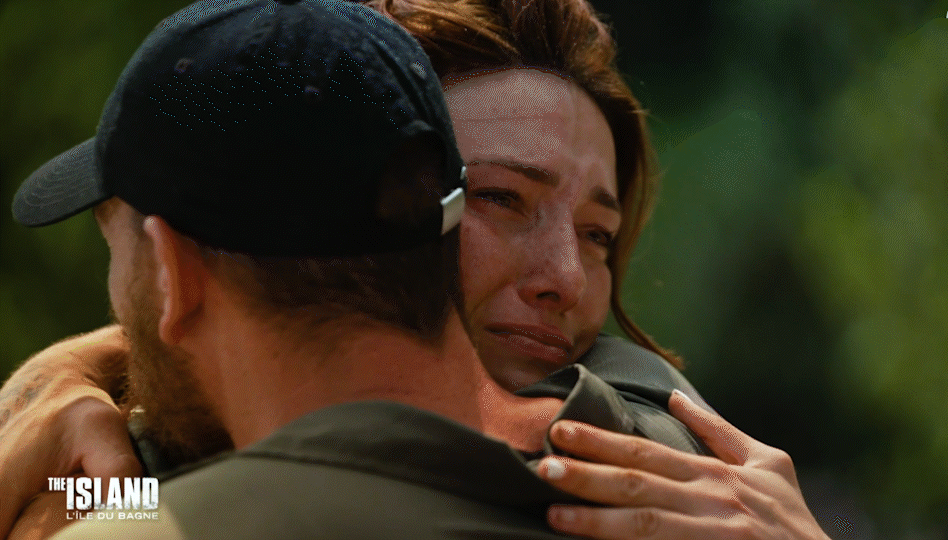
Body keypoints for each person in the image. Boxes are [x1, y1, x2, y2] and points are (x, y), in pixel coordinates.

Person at [2, 0, 831, 539]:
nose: (567, 282)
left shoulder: (647, 453)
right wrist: (76, 372)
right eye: (503, 199)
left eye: (599, 236)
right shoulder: (188, 447)